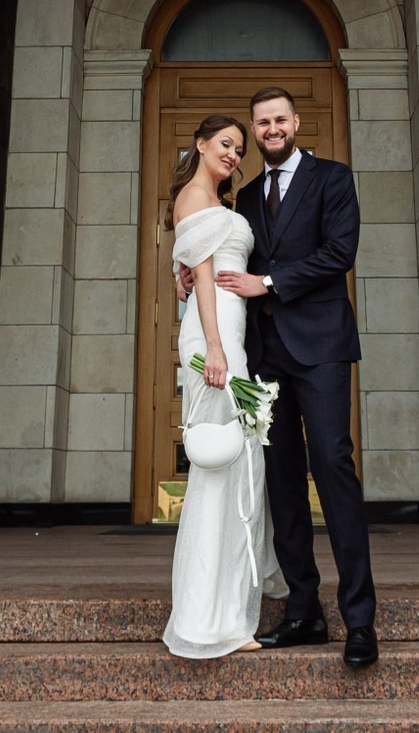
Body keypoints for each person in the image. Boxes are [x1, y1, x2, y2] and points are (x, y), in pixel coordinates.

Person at [218, 86, 377, 667]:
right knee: (281, 479)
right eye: (261, 123)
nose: (271, 130)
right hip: (266, 356)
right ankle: (304, 611)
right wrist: (198, 278)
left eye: (279, 119)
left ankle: (360, 620)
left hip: (324, 347)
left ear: (296, 122)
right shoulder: (249, 195)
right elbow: (235, 260)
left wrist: (273, 283)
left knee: (332, 464)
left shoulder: (333, 178)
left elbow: (341, 252)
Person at [160, 114, 282, 658]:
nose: (234, 154)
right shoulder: (194, 196)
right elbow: (201, 279)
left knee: (237, 464)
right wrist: (213, 347)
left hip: (230, 332)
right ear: (201, 144)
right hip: (215, 341)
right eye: (225, 145)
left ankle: (231, 602)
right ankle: (208, 618)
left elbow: (185, 277)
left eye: (239, 148)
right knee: (219, 468)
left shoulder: (219, 202)